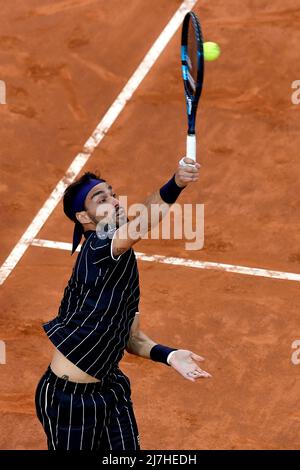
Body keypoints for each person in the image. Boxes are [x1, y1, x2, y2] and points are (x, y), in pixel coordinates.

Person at [35, 157, 211, 450]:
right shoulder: (99, 246)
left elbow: (130, 337)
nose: (114, 201)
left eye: (112, 193)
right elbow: (142, 222)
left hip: (110, 388)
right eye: (99, 198)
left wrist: (169, 356)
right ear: (83, 217)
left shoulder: (124, 260)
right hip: (70, 401)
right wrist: (177, 183)